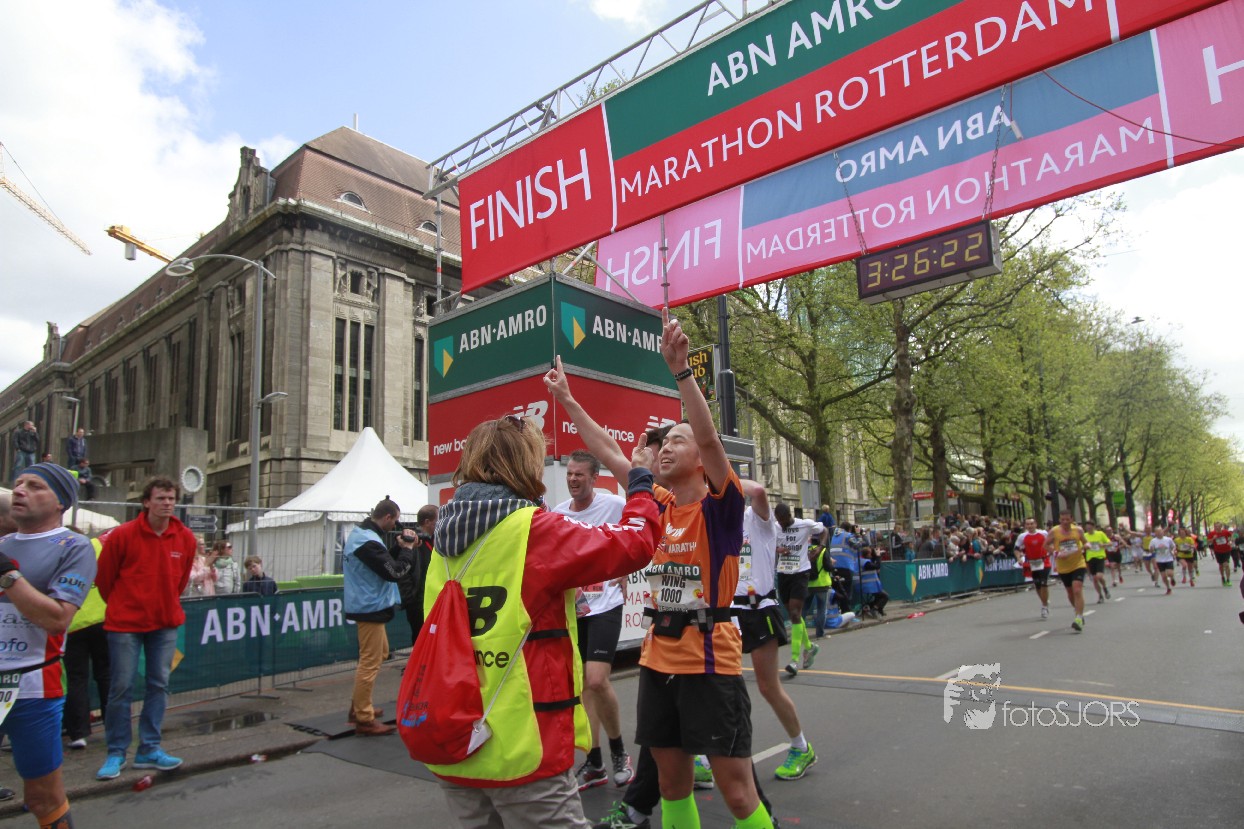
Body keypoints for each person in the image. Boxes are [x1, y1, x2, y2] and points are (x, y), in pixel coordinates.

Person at [546, 306, 774, 829]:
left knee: (738, 794)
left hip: (709, 664)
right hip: (657, 660)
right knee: (671, 784)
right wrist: (567, 400)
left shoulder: (720, 507)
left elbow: (710, 440)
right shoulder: (660, 504)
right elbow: (608, 450)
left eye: (677, 440)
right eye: (663, 441)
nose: (666, 447)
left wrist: (681, 372)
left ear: (701, 458)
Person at [424, 410, 659, 829]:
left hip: (454, 737)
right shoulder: (532, 529)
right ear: (525, 464)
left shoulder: (445, 536)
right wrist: (641, 480)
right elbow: (636, 542)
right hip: (523, 744)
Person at [0, 463, 95, 828]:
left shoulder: (74, 546)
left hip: (33, 685)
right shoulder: (3, 545)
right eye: (18, 483)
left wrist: (8, 574)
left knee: (42, 797)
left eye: (35, 485)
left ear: (60, 502)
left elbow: (57, 618)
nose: (20, 490)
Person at [94, 475, 197, 780]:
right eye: (161, 498)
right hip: (125, 624)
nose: (167, 504)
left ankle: (149, 748)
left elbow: (180, 580)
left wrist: (162, 603)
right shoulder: (123, 535)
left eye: (171, 499)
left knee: (159, 684)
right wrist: (124, 605)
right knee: (121, 687)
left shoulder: (185, 538)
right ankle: (116, 751)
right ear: (146, 502)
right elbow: (105, 579)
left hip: (164, 623)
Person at [552, 450, 635, 792]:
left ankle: (620, 753)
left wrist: (627, 567)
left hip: (607, 604)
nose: (573, 479)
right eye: (570, 474)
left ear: (594, 478)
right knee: (584, 684)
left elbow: (641, 532)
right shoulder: (558, 514)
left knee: (598, 680)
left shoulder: (613, 505)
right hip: (576, 608)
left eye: (579, 475)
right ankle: (595, 761)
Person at [735, 479, 816, 781]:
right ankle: (704, 757)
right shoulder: (713, 518)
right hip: (727, 612)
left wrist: (720, 474)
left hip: (759, 608)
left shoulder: (756, 517)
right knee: (715, 684)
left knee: (768, 687)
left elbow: (757, 491)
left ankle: (801, 747)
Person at [343, 499, 416, 736]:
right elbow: (394, 571)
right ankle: (363, 717)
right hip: (369, 607)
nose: (396, 525)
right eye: (395, 520)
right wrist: (407, 550)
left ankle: (359, 706)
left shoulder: (364, 537)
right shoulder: (367, 542)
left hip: (368, 604)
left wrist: (397, 549)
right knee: (370, 661)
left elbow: (381, 564)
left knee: (380, 653)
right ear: (387, 517)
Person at [64, 531, 110, 751]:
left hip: (73, 622)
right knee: (107, 675)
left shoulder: (61, 550)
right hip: (103, 619)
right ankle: (113, 726)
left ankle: (78, 733)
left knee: (76, 678)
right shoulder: (97, 547)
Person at [772, 503, 826, 677]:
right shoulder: (775, 527)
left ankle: (794, 660)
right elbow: (769, 544)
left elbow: (824, 530)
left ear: (789, 516)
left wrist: (820, 548)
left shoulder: (804, 524)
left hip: (801, 572)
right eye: (779, 521)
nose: (781, 524)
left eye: (783, 521)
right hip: (783, 572)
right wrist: (778, 549)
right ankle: (809, 647)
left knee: (796, 613)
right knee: (792, 614)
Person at [396, 504, 437, 646]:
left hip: (430, 597)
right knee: (420, 638)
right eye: (437, 520)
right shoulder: (411, 542)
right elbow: (404, 572)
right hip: (417, 601)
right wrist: (411, 599)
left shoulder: (435, 541)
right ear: (427, 522)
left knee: (432, 638)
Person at [1047, 510, 1087, 632]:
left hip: (1078, 564)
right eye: (1062, 520)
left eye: (1067, 519)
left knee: (1077, 589)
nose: (1065, 522)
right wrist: (1056, 553)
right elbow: (1045, 545)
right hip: (1063, 567)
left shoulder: (1078, 530)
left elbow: (1085, 542)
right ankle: (1077, 610)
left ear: (1071, 519)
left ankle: (1078, 618)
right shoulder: (1054, 531)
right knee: (1070, 593)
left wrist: (1087, 546)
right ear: (1059, 520)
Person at [1013, 518, 1050, 619]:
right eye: (1028, 524)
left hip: (1044, 561)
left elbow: (1051, 543)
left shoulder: (1043, 533)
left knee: (1044, 582)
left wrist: (1051, 551)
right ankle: (1044, 601)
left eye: (1032, 524)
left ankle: (1044, 606)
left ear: (1036, 524)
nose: (1030, 526)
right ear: (1025, 525)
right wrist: (1018, 558)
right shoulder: (1022, 536)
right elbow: (1016, 549)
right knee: (1037, 584)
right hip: (1032, 563)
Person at [1082, 520, 1111, 604]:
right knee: (1095, 579)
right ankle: (1100, 595)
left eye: (1090, 528)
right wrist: (1085, 547)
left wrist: (1103, 545)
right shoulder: (1084, 536)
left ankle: (1105, 588)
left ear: (1093, 527)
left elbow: (1110, 543)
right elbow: (1081, 546)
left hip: (1100, 557)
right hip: (1090, 558)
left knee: (1099, 576)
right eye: (1087, 528)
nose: (1088, 529)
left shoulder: (1100, 534)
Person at [1149, 526, 1177, 595]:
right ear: (1155, 533)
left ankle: (1172, 578)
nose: (1159, 533)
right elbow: (1151, 550)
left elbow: (1173, 546)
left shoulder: (1168, 539)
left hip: (1168, 559)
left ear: (1163, 532)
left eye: (1160, 531)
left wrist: (1173, 551)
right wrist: (1152, 550)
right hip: (1159, 560)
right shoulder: (1153, 541)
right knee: (1164, 576)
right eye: (1157, 532)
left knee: (1169, 573)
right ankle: (1168, 588)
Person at [1207, 522, 1234, 587]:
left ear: (1221, 527)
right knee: (1221, 565)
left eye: (1218, 526)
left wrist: (1230, 542)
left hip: (1226, 550)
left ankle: (1228, 580)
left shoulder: (1225, 532)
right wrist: (1213, 538)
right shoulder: (1212, 533)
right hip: (1218, 551)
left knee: (1226, 565)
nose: (1217, 527)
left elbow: (1231, 537)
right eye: (1216, 526)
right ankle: (1223, 577)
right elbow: (1208, 542)